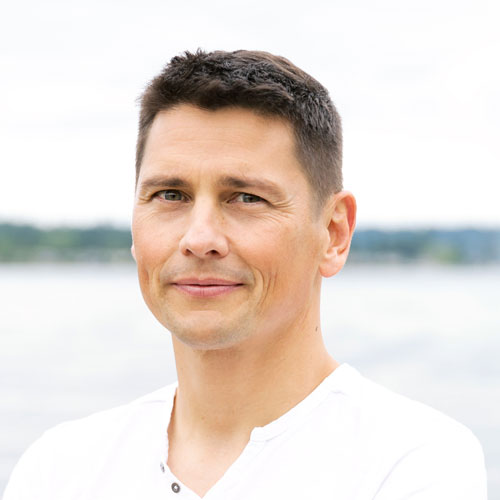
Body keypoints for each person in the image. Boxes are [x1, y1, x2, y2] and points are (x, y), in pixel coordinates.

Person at [3, 50, 487, 500]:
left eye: (246, 198)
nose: (199, 238)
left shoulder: (412, 463)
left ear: (333, 233)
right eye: (170, 195)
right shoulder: (59, 469)